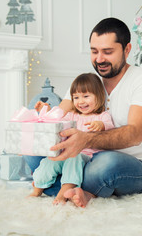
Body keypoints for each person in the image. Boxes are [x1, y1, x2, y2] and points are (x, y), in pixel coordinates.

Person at [48, 17, 142, 207]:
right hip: (87, 159)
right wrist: (38, 127)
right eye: (94, 51)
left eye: (107, 52)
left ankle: (69, 186)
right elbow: (57, 116)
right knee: (42, 157)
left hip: (137, 166)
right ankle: (81, 190)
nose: (99, 59)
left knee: (106, 163)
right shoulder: (87, 83)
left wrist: (86, 139)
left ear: (127, 50)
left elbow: (135, 134)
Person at [27, 73, 114, 205]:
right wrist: (47, 110)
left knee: (74, 158)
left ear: (99, 96)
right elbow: (57, 122)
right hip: (65, 153)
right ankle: (38, 187)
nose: (81, 101)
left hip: (86, 157)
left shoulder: (102, 116)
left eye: (86, 96)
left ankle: (65, 190)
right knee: (50, 160)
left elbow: (110, 128)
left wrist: (101, 125)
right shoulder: (72, 115)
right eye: (76, 97)